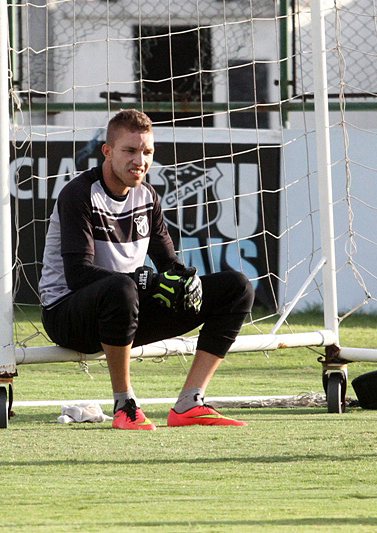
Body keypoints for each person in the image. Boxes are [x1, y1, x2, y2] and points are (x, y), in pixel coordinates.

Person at [38, 109, 255, 430]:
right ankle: (124, 404)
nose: (140, 160)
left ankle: (189, 403)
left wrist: (185, 281)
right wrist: (145, 281)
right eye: (130, 151)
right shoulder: (79, 194)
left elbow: (169, 264)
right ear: (108, 152)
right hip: (68, 315)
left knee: (237, 288)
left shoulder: (147, 195)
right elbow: (79, 274)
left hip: (124, 309)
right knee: (123, 289)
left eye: (147, 152)